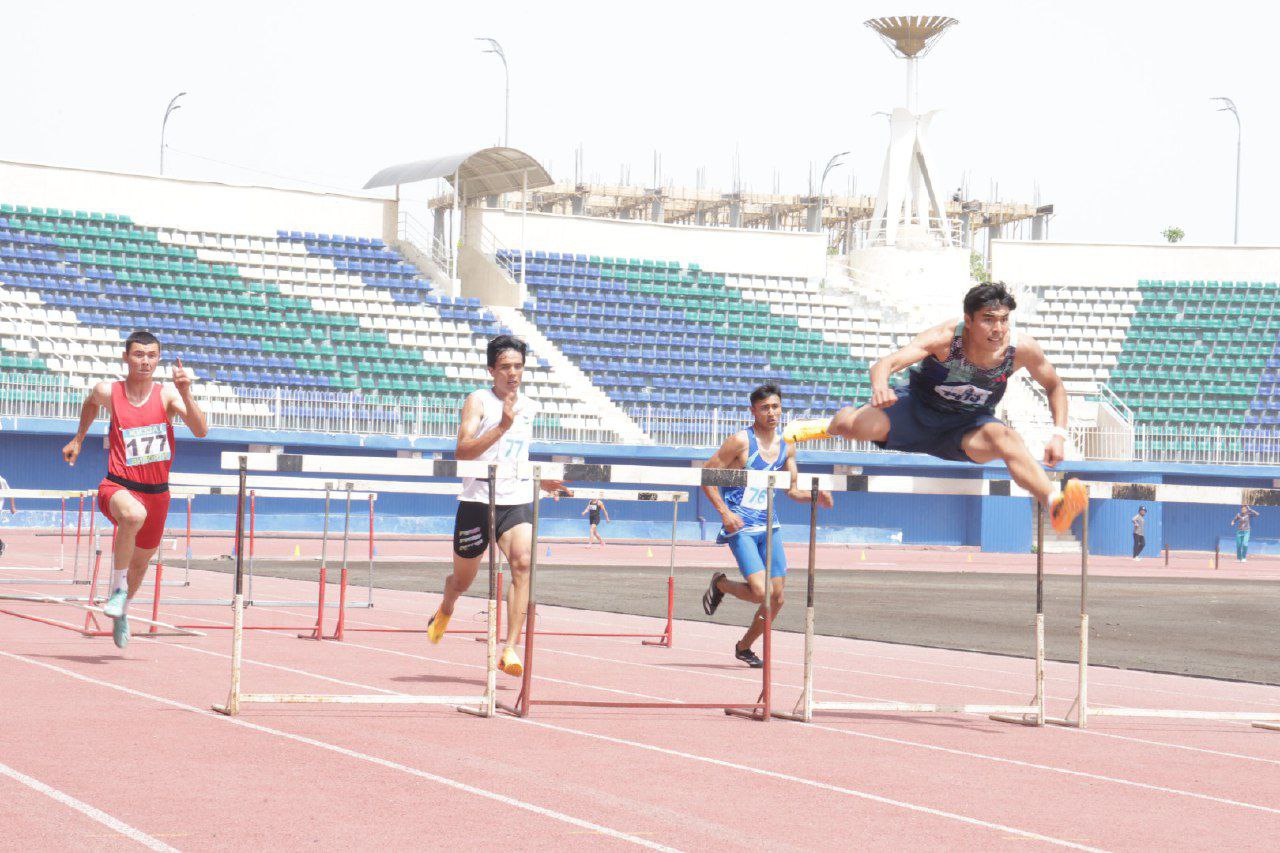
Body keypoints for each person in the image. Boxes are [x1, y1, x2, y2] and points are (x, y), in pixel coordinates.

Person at [784, 282, 1087, 534]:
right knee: (852, 427)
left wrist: (1059, 434)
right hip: (916, 410)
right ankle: (823, 426)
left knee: (1008, 439)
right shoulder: (945, 339)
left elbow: (1055, 386)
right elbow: (885, 364)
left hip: (967, 427)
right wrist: (881, 386)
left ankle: (1054, 502)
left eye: (1004, 319)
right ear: (968, 320)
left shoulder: (1021, 349)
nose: (998, 329)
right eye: (989, 319)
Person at [427, 335, 569, 676]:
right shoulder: (478, 401)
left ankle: (510, 649)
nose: (513, 373)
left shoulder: (531, 406)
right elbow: (462, 452)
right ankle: (447, 606)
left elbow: (517, 454)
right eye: (505, 367)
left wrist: (539, 477)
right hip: (477, 501)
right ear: (492, 370)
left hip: (516, 498)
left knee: (523, 563)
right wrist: (502, 427)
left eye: (518, 366)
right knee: (463, 581)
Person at [61, 331, 207, 648]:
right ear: (126, 357)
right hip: (118, 485)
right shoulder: (109, 391)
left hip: (158, 493)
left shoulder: (168, 395)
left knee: (140, 567)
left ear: (158, 360)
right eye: (138, 354)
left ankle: (122, 610)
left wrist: (187, 392)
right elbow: (89, 404)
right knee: (132, 515)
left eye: (151, 355)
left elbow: (200, 430)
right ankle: (116, 590)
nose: (145, 361)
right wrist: (78, 439)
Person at [700, 384, 833, 667]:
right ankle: (721, 584)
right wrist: (724, 513)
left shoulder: (788, 446)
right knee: (761, 592)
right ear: (753, 411)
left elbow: (791, 490)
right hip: (741, 526)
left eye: (775, 407)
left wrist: (814, 496)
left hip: (769, 526)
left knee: (778, 598)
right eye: (764, 408)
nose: (771, 413)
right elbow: (707, 476)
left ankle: (744, 647)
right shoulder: (739, 442)